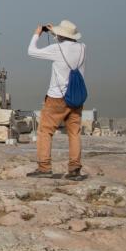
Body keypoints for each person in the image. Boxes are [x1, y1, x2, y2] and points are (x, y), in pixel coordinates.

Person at [27, 20, 87, 180]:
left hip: (57, 97)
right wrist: (55, 33)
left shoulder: (56, 49)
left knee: (45, 131)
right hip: (76, 97)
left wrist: (37, 34)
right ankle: (75, 169)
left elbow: (31, 51)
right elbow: (67, 45)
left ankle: (44, 168)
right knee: (74, 133)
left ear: (61, 34)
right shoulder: (83, 48)